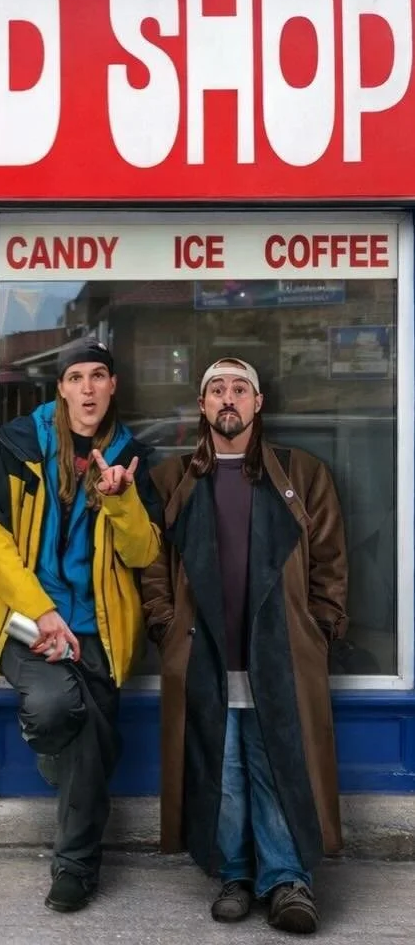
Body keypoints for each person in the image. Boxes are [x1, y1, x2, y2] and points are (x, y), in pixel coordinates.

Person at [141, 357, 347, 935]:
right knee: (222, 771)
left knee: (279, 765)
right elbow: (153, 567)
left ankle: (285, 882)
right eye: (216, 390)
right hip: (205, 654)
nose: (228, 399)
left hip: (279, 658)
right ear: (202, 405)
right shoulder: (171, 481)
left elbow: (330, 562)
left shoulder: (301, 474)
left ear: (259, 403)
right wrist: (164, 627)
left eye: (239, 389)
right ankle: (233, 873)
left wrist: (320, 628)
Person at [0, 339, 162, 913]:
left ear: (112, 387)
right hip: (28, 623)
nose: (86, 388)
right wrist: (43, 611)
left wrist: (121, 502)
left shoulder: (128, 456)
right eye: (75, 377)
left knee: (91, 742)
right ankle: (59, 761)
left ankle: (75, 869)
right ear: (60, 387)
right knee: (63, 712)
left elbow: (144, 552)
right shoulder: (18, 446)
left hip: (98, 632)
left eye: (97, 376)